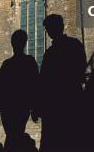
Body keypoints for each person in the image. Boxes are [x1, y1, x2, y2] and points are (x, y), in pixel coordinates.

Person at [37, 14, 86, 152]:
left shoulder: (51, 54)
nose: (48, 32)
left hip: (57, 108)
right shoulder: (75, 45)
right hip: (71, 102)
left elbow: (43, 82)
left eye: (48, 28)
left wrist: (39, 106)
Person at [0, 29, 39, 151]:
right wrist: (35, 108)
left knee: (12, 135)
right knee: (15, 135)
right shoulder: (29, 61)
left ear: (12, 43)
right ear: (25, 43)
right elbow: (36, 85)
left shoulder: (7, 64)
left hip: (9, 108)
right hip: (20, 107)